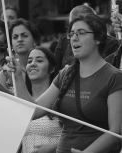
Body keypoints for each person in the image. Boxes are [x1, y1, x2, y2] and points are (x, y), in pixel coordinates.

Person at [7, 14, 122, 153]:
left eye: (81, 33)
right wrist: (18, 76)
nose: (74, 38)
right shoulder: (65, 74)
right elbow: (34, 111)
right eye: (72, 33)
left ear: (98, 38)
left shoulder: (113, 77)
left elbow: (116, 132)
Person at [54, 5, 119, 70]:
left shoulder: (112, 45)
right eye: (72, 31)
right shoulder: (64, 40)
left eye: (82, 32)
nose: (74, 38)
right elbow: (54, 69)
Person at [22, 46, 61, 153]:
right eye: (29, 61)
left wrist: (54, 148)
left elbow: (77, 137)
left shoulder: (62, 100)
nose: (33, 64)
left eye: (39, 60)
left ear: (52, 68)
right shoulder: (20, 100)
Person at [0, 18, 40, 94]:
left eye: (24, 36)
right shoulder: (5, 74)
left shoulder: (44, 68)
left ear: (35, 41)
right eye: (15, 37)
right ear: (11, 44)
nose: (19, 39)